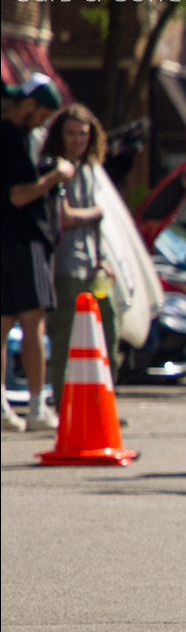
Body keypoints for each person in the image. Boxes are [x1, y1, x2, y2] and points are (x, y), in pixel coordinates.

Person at [1, 73, 71, 433]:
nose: (42, 124)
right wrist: (56, 175)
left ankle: (2, 407)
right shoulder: (15, 138)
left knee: (2, 324)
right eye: (42, 115)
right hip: (25, 240)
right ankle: (35, 406)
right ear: (29, 105)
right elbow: (20, 194)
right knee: (33, 323)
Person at [40, 103, 116, 411]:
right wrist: (95, 214)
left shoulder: (88, 169)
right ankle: (63, 406)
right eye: (71, 133)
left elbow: (92, 226)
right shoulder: (56, 168)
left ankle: (100, 406)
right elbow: (63, 218)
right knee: (65, 340)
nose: (77, 139)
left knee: (108, 329)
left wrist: (103, 259)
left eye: (83, 134)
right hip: (65, 266)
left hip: (91, 267)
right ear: (60, 135)